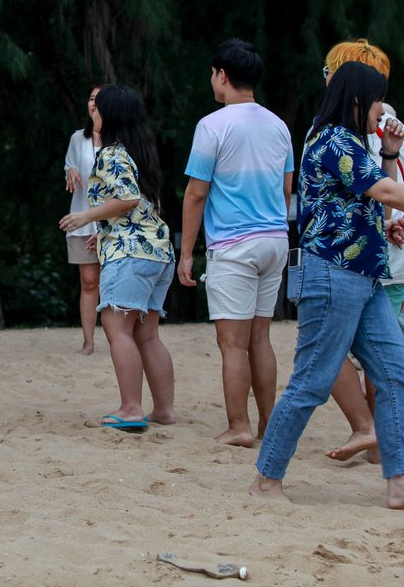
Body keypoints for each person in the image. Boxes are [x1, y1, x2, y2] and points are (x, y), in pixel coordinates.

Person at [249, 62, 404, 508]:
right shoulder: (332, 140)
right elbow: (388, 194)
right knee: (312, 381)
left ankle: (400, 482)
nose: (385, 108)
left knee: (397, 371)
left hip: (363, 276)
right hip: (330, 273)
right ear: (360, 99)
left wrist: (387, 154)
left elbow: (373, 197)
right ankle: (266, 481)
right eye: (379, 97)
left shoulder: (356, 144)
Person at [315, 41, 404, 464]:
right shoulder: (349, 130)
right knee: (378, 355)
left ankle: (371, 433)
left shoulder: (358, 131)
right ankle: (375, 438)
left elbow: (402, 186)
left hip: (368, 261)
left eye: (330, 71)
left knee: (350, 353)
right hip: (378, 257)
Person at [178, 39, 292, 447]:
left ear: (222, 75)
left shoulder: (213, 125)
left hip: (233, 244)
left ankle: (238, 427)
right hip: (275, 239)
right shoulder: (279, 125)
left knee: (232, 345)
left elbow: (196, 193)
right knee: (260, 338)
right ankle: (267, 425)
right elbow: (285, 189)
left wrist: (187, 252)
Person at [59, 85, 175, 431]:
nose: (92, 111)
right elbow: (139, 205)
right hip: (157, 251)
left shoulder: (110, 153)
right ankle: (164, 410)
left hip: (131, 253)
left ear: (110, 116)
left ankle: (130, 408)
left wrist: (86, 217)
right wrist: (104, 230)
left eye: (98, 108)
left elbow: (126, 199)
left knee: (116, 327)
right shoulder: (138, 151)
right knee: (148, 334)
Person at [63, 86, 102, 355]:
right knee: (89, 281)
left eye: (100, 99)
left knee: (116, 283)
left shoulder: (122, 141)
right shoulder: (78, 139)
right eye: (90, 98)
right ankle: (88, 342)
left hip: (114, 225)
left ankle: (123, 338)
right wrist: (72, 170)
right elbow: (70, 165)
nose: (94, 103)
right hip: (82, 220)